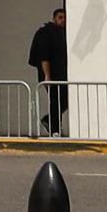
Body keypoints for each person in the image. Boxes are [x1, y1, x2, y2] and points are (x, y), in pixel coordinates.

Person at [28, 7, 71, 138]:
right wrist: (47, 76)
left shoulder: (64, 33)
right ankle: (55, 129)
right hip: (52, 75)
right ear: (54, 19)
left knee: (65, 100)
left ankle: (50, 122)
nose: (63, 21)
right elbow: (43, 56)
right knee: (56, 101)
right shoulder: (46, 33)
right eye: (60, 18)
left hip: (63, 75)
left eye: (65, 18)